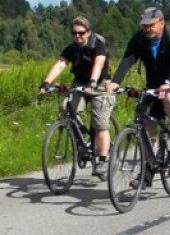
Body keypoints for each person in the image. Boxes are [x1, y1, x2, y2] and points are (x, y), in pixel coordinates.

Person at [106, 7, 170, 160]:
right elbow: (128, 59)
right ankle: (148, 165)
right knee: (146, 120)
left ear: (162, 22)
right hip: (154, 83)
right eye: (144, 26)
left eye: (151, 25)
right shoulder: (139, 39)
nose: (147, 29)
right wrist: (115, 82)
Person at [39, 16, 115, 177]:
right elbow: (60, 64)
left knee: (100, 123)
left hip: (99, 85)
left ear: (89, 32)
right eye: (74, 33)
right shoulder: (71, 48)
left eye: (81, 33)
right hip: (79, 84)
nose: (77, 36)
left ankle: (102, 160)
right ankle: (84, 140)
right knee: (66, 109)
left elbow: (98, 64)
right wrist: (46, 82)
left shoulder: (97, 44)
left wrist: (93, 81)